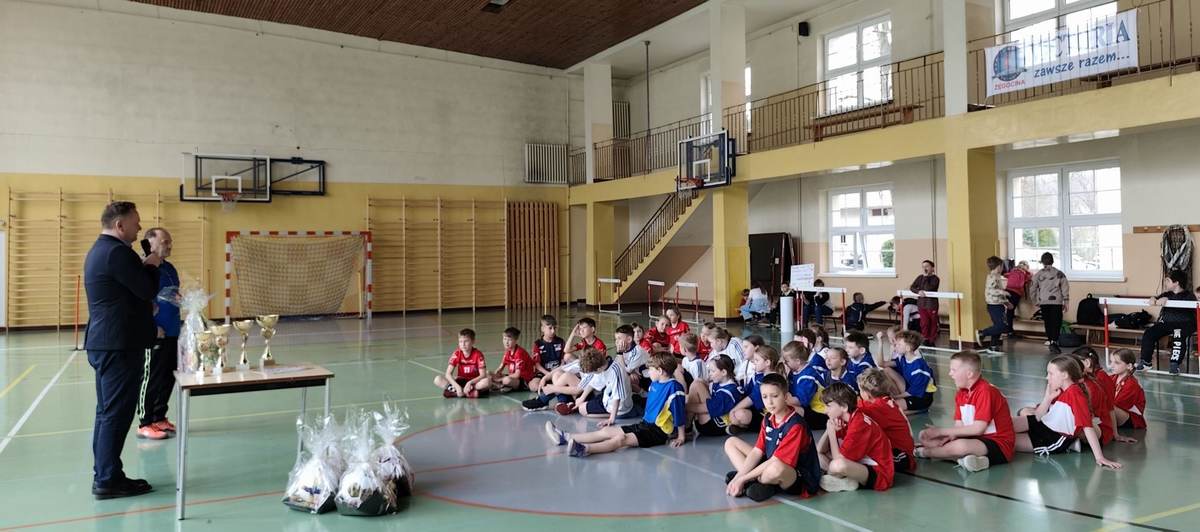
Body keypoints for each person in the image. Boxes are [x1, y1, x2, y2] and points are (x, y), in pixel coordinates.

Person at [84, 201, 161, 499]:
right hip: (118, 345)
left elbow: (125, 293)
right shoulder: (117, 253)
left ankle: (106, 474)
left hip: (107, 342)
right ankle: (107, 479)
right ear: (119, 225)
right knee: (115, 414)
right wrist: (152, 265)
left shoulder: (101, 250)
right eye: (135, 222)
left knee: (107, 413)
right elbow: (146, 289)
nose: (139, 227)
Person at [545, 352, 686, 457]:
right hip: (645, 424)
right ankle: (565, 436)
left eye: (651, 369)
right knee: (606, 432)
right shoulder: (655, 384)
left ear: (660, 371)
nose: (649, 372)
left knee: (621, 440)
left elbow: (679, 412)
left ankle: (585, 449)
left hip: (659, 432)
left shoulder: (674, 388)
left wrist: (681, 436)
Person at [723, 373, 822, 501]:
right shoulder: (768, 419)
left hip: (797, 475)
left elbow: (777, 460)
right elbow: (757, 451)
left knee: (776, 468)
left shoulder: (796, 425)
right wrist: (738, 477)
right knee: (731, 442)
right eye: (764, 397)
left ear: (785, 397)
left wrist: (742, 478)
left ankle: (756, 481)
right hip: (771, 461)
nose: (769, 402)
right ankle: (759, 482)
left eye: (774, 396)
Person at [1011, 356, 1121, 469]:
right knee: (1005, 426)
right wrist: (1048, 398)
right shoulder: (1065, 390)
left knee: (1007, 440)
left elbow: (1087, 426)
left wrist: (1099, 457)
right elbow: (1038, 416)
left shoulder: (1075, 394)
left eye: (1051, 374)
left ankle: (1070, 444)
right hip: (1043, 424)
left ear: (1064, 375)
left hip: (1052, 437)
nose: (1047, 377)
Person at [915, 351, 1015, 473]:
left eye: (954, 370)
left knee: (960, 446)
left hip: (997, 444)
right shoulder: (961, 393)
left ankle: (926, 452)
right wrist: (950, 436)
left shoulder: (985, 391)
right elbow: (959, 426)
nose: (950, 374)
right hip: (974, 439)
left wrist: (941, 431)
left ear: (969, 374)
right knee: (924, 435)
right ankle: (968, 459)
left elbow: (979, 429)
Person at [136, 227, 178, 441]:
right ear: (150, 243)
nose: (169, 245)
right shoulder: (144, 268)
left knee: (168, 376)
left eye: (170, 242)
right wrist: (152, 326)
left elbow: (172, 295)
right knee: (151, 377)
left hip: (173, 331)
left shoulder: (170, 268)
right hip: (155, 333)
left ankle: (159, 416)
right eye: (164, 242)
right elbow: (139, 300)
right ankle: (145, 423)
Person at [816, 382, 895, 493]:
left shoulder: (859, 425)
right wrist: (828, 430)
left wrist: (832, 433)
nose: (825, 411)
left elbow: (838, 460)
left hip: (879, 474)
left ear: (844, 407)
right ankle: (846, 480)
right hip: (860, 464)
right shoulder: (845, 419)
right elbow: (819, 450)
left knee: (837, 465)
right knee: (817, 456)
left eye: (828, 406)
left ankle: (840, 478)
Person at [855, 368, 916, 474]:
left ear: (867, 394)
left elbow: (853, 411)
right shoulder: (885, 400)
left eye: (860, 391)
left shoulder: (877, 408)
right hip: (903, 451)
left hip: (900, 456)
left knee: (855, 455)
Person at [1137, 270, 1197, 374]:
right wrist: (1153, 299)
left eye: (1168, 280)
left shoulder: (1189, 295)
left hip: (1184, 324)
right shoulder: (1167, 294)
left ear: (1176, 283)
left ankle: (1174, 364)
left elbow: (1187, 305)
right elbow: (1156, 299)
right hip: (1167, 323)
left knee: (1178, 335)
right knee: (1149, 333)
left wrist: (1167, 299)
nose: (1165, 283)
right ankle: (1146, 362)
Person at [730, 345, 784, 433]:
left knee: (739, 414)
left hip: (772, 414)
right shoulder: (760, 377)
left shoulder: (774, 379)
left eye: (757, 360)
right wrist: (734, 410)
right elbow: (752, 396)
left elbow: (752, 399)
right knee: (739, 413)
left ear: (767, 362)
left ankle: (758, 428)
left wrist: (733, 410)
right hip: (761, 412)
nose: (754, 363)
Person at [687, 354, 744, 437]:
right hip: (713, 418)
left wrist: (684, 406)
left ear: (724, 372)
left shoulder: (729, 392)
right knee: (698, 381)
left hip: (714, 426)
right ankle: (687, 426)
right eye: (709, 371)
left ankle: (686, 426)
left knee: (697, 385)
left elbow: (706, 408)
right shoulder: (722, 381)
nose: (709, 374)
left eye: (712, 371)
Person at [574, 347, 635, 422]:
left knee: (581, 410)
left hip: (619, 407)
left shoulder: (615, 371)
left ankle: (616, 415)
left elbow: (617, 397)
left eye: (593, 372)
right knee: (581, 399)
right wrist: (581, 398)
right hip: (608, 396)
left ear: (598, 369)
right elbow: (593, 383)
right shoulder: (604, 364)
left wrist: (611, 419)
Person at [883, 330, 937, 414]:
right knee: (887, 371)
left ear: (908, 348)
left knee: (891, 408)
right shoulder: (903, 358)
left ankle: (921, 409)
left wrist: (895, 397)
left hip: (921, 398)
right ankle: (906, 406)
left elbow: (914, 392)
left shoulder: (919, 367)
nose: (895, 346)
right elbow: (883, 364)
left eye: (899, 344)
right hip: (910, 390)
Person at [1029, 252, 1069, 354]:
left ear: (1042, 262)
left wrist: (1035, 301)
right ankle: (1054, 341)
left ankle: (1050, 340)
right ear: (1053, 261)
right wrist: (1066, 301)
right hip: (1057, 302)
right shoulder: (1059, 273)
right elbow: (1065, 288)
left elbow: (1032, 288)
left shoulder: (1038, 274)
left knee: (1048, 322)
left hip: (1044, 301)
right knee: (1056, 322)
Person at [782, 342, 828, 430]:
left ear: (798, 361)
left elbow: (799, 401)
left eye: (787, 361)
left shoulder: (808, 376)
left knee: (783, 407)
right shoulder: (794, 371)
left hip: (820, 413)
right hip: (809, 409)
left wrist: (780, 399)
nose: (785, 363)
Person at [435, 329, 490, 398]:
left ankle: (457, 392)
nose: (463, 344)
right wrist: (457, 386)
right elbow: (448, 374)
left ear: (473, 341)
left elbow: (483, 375)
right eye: (460, 341)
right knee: (437, 379)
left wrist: (470, 383)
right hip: (461, 381)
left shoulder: (478, 354)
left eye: (466, 341)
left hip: (473, 382)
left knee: (487, 382)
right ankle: (467, 392)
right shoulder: (457, 353)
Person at [976, 256, 1013, 352]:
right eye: (1002, 266)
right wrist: (1003, 292)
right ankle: (982, 333)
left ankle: (993, 346)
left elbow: (998, 292)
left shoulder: (997, 276)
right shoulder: (992, 277)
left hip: (998, 304)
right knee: (1002, 326)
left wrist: (1006, 302)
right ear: (999, 266)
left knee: (998, 326)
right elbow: (991, 291)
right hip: (994, 305)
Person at [526, 315, 566, 402]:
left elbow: (563, 361)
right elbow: (537, 364)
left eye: (554, 328)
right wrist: (548, 374)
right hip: (544, 372)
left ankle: (553, 389)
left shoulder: (560, 341)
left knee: (565, 381)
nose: (553, 331)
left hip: (557, 371)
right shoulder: (538, 344)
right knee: (533, 386)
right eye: (550, 328)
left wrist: (554, 373)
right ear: (542, 329)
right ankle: (553, 388)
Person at [1109, 349, 1146, 431]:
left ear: (1129, 366)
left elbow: (1117, 404)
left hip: (1132, 418)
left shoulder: (1132, 384)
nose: (1111, 366)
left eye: (1117, 363)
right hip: (1118, 412)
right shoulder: (1112, 378)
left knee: (1108, 406)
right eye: (1111, 362)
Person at [491, 327, 534, 393]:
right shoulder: (508, 351)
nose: (506, 342)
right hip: (512, 377)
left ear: (515, 340)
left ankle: (502, 385)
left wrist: (499, 379)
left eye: (509, 340)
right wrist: (496, 374)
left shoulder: (519, 353)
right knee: (488, 373)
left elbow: (517, 375)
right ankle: (503, 386)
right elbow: (500, 368)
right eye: (504, 339)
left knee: (506, 380)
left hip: (523, 380)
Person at [909, 260, 941, 345]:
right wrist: (918, 291)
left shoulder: (935, 279)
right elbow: (912, 287)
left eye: (927, 266)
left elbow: (929, 288)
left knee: (933, 322)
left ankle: (932, 340)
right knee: (924, 323)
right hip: (921, 304)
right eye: (923, 267)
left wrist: (926, 277)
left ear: (932, 268)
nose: (925, 268)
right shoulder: (920, 277)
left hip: (932, 304)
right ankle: (925, 338)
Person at [1004, 261, 1032, 334]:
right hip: (1016, 292)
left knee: (1010, 310)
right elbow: (1029, 278)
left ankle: (1008, 327)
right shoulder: (1024, 273)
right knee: (1010, 310)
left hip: (1008, 290)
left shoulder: (1013, 271)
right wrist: (1028, 272)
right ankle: (1009, 330)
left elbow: (1005, 275)